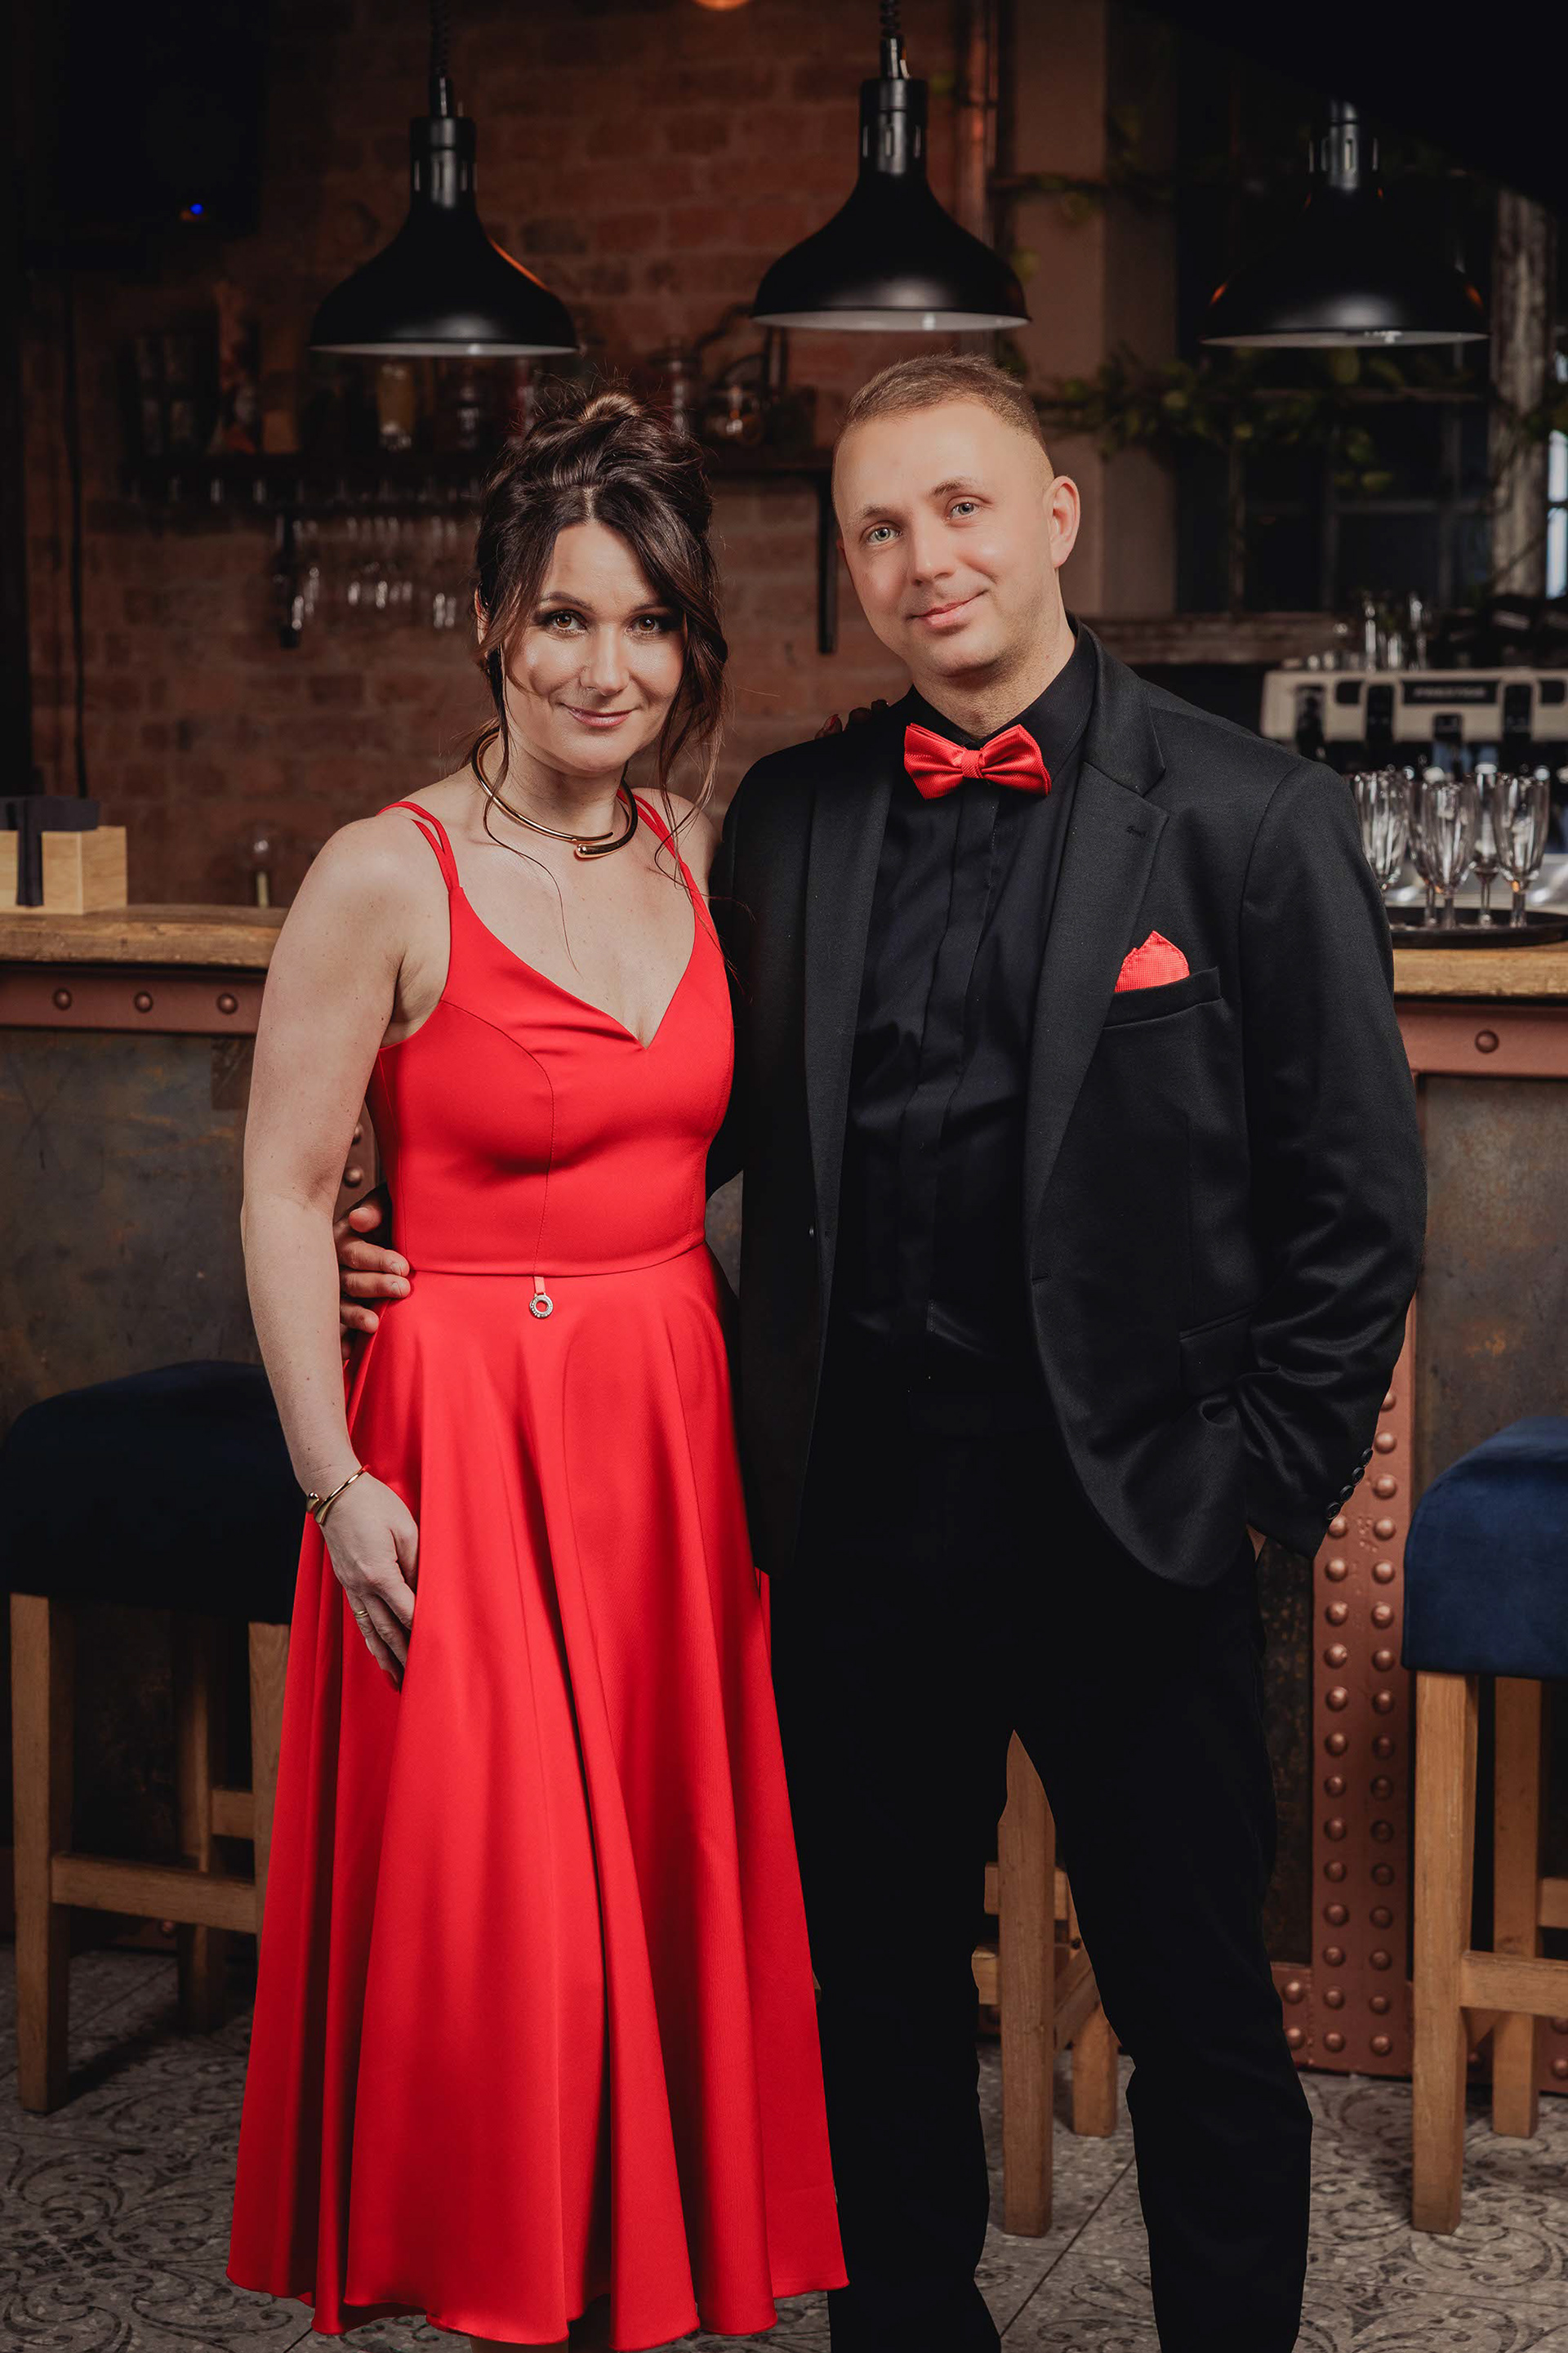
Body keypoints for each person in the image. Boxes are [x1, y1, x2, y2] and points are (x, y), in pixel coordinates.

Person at [339, 354, 1426, 2353]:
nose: (926, 557)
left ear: (1057, 517)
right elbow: (676, 1114)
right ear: (846, 569)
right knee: (873, 2005)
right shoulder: (791, 817)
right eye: (877, 529)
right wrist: (414, 1227)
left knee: (1199, 2015)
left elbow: (1358, 1208)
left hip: (1134, 1522)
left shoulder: (1252, 818)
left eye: (962, 507)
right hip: (849, 1523)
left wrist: (1252, 1488)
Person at [228, 385, 844, 2351]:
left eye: (648, 623)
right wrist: (335, 1480)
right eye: (566, 617)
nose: (606, 666)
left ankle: (631, 2276)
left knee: (647, 1890)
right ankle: (506, 2280)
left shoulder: (696, 848)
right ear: (494, 619)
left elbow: (695, 1143)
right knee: (512, 1925)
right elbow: (280, 1188)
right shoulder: (382, 871)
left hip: (668, 1428)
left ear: (690, 641)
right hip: (461, 1435)